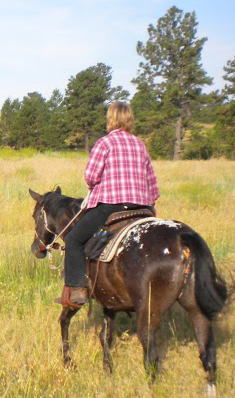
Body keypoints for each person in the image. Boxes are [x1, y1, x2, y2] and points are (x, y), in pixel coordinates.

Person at [56, 101, 159, 308]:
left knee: (74, 239)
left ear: (110, 119)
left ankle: (78, 290)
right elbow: (153, 184)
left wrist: (92, 183)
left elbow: (91, 176)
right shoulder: (139, 144)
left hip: (112, 206)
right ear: (130, 120)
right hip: (143, 208)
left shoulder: (105, 143)